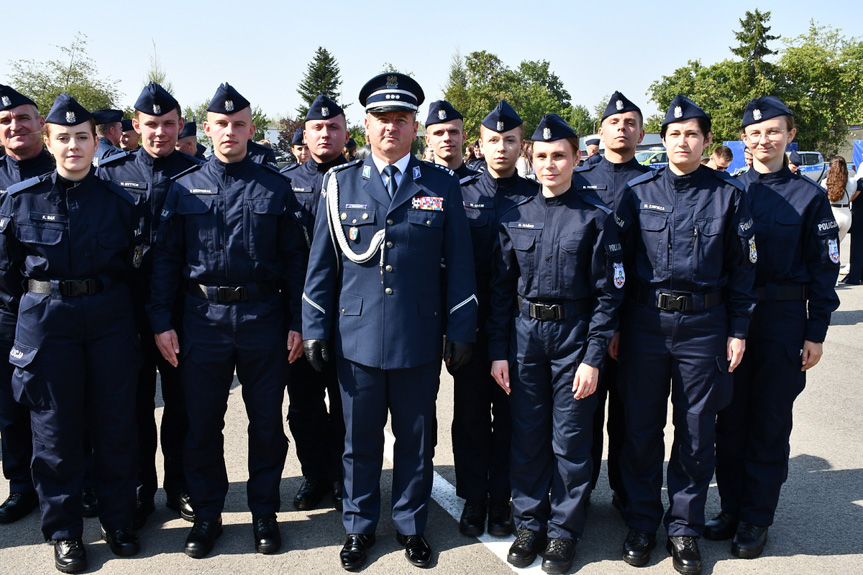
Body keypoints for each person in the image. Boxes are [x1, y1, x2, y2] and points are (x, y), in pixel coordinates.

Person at [302, 72, 478, 571]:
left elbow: (459, 262)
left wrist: (462, 328)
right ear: (366, 123)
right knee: (358, 441)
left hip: (419, 336)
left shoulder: (440, 183)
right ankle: (358, 526)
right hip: (355, 336)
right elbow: (322, 265)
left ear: (416, 126)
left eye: (401, 119)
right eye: (382, 119)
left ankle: (410, 524)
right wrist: (314, 328)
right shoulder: (339, 184)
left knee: (416, 439)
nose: (391, 128)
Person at [148, 82, 305, 558]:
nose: (230, 132)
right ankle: (209, 515)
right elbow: (166, 262)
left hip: (263, 317)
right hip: (202, 318)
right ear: (208, 128)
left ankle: (264, 514)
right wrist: (161, 321)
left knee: (265, 424)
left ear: (251, 129)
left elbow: (296, 261)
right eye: (221, 124)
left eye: (239, 124)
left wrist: (297, 321)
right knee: (201, 424)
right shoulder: (185, 187)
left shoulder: (276, 187)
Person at [0, 93, 143, 573]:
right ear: (49, 140)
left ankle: (119, 521)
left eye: (82, 137)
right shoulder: (23, 200)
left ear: (94, 140)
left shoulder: (120, 201)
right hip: (49, 321)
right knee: (54, 432)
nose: (74, 146)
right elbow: (6, 276)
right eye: (63, 138)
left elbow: (134, 270)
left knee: (115, 426)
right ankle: (63, 532)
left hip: (108, 319)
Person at [614, 95, 757, 575]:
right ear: (664, 139)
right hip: (645, 325)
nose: (683, 141)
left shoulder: (729, 194)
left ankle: (684, 530)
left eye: (692, 134)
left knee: (697, 433)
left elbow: (742, 274)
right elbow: (616, 268)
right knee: (639, 429)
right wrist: (612, 326)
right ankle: (641, 522)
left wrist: (738, 330)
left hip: (704, 327)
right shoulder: (637, 191)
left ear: (707, 141)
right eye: (674, 134)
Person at [489, 113, 624, 574]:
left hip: (574, 338)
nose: (550, 164)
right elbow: (501, 292)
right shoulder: (515, 217)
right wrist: (499, 352)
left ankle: (564, 531)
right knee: (527, 438)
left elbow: (610, 295)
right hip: (525, 338)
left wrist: (592, 357)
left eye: (559, 156)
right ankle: (530, 522)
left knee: (569, 440)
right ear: (532, 157)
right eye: (542, 156)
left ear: (574, 159)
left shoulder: (596, 218)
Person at [708, 95, 840, 560]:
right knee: (729, 420)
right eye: (755, 133)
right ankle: (729, 508)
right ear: (743, 140)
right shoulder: (727, 190)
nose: (764, 139)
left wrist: (816, 331)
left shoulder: (809, 197)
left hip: (782, 321)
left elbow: (824, 271)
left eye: (774, 131)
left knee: (768, 422)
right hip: (731, 322)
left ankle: (756, 518)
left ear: (790, 135)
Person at [96, 82, 204, 530]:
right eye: (150, 125)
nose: (159, 132)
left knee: (181, 406)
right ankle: (141, 488)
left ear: (179, 126)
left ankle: (179, 487)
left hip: (183, 309)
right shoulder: (111, 174)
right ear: (132, 127)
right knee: (133, 407)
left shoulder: (199, 174)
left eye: (168, 124)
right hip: (127, 311)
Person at [453, 99, 537, 540]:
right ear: (478, 145)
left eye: (510, 141)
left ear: (522, 146)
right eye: (492, 141)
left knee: (510, 416)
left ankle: (502, 499)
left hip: (518, 328)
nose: (501, 148)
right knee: (469, 415)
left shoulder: (533, 196)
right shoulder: (460, 191)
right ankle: (473, 497)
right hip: (469, 324)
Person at [572, 91, 647, 515]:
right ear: (600, 131)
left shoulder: (652, 181)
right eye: (614, 122)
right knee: (583, 413)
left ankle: (623, 489)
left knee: (629, 412)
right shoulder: (580, 178)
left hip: (637, 316)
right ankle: (578, 493)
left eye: (630, 122)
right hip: (591, 317)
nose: (622, 128)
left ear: (640, 131)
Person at [280, 95, 349, 513]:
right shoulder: (284, 183)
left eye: (334, 127)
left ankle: (343, 478)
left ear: (346, 133)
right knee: (304, 405)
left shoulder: (360, 179)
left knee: (346, 406)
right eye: (317, 129)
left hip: (349, 313)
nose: (325, 134)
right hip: (300, 314)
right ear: (305, 136)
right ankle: (315, 475)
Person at [0, 84, 54, 526]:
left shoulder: (67, 169)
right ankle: (21, 487)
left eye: (23, 118)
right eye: (5, 122)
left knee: (65, 400)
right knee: (10, 406)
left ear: (40, 123)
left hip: (52, 310)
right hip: (3, 314)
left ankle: (81, 480)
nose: (15, 127)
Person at [424, 101, 477, 180]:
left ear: (463, 137)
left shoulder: (483, 185)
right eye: (439, 133)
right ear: (428, 140)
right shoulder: (418, 187)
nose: (446, 138)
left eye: (453, 132)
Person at [821, 156, 859, 243]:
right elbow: (851, 196)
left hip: (832, 214)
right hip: (846, 215)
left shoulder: (825, 182)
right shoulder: (853, 181)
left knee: (829, 248)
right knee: (837, 246)